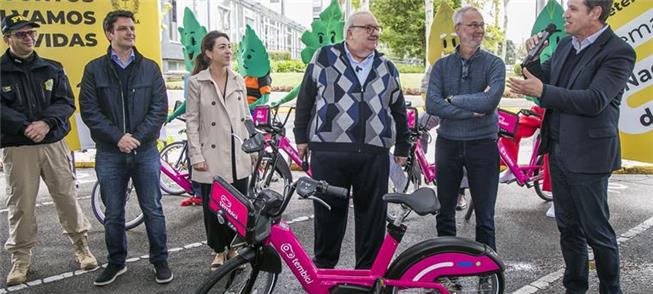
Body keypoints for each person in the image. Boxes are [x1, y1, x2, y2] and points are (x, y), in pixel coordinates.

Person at [507, 0, 636, 292]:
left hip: (590, 156)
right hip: (558, 150)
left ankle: (610, 288)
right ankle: (574, 287)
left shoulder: (618, 52)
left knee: (597, 231)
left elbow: (594, 101)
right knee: (568, 229)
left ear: (595, 13)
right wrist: (534, 57)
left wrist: (543, 90)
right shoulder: (565, 45)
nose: (566, 14)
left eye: (574, 8)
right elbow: (548, 81)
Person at [293, 10, 410, 269]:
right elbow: (306, 98)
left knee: (373, 217)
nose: (375, 32)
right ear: (349, 32)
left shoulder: (387, 67)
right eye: (368, 28)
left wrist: (403, 144)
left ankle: (367, 275)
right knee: (328, 213)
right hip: (329, 151)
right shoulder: (323, 57)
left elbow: (398, 109)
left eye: (377, 28)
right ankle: (323, 270)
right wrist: (301, 136)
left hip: (374, 153)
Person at [1, 13, 98, 286]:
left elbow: (67, 102)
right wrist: (24, 127)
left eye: (32, 33)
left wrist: (45, 123)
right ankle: (20, 260)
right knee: (20, 205)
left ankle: (82, 247)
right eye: (21, 34)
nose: (29, 38)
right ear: (7, 38)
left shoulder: (52, 68)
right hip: (18, 146)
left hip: (53, 143)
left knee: (67, 197)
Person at [79, 10, 172, 286]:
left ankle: (160, 260)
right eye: (123, 29)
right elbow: (90, 111)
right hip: (110, 152)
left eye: (132, 28)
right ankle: (116, 263)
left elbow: (159, 109)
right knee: (114, 213)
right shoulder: (94, 69)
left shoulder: (150, 67)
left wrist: (136, 138)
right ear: (109, 33)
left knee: (153, 208)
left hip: (144, 151)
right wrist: (118, 137)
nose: (130, 32)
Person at [426, 6, 505, 251]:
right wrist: (473, 106)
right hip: (447, 144)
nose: (479, 30)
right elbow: (432, 104)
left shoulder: (495, 64)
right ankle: (445, 269)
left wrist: (452, 100)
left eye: (481, 25)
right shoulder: (441, 66)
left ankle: (487, 271)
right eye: (472, 25)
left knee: (485, 214)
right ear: (457, 29)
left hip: (483, 144)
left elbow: (489, 102)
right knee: (445, 211)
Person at [184, 30, 254, 270]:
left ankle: (234, 246)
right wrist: (196, 156)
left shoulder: (238, 80)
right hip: (211, 155)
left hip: (238, 154)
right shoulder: (197, 82)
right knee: (214, 208)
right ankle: (217, 250)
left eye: (229, 46)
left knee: (237, 207)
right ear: (208, 52)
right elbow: (191, 121)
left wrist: (253, 149)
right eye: (222, 47)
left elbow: (246, 117)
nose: (228, 51)